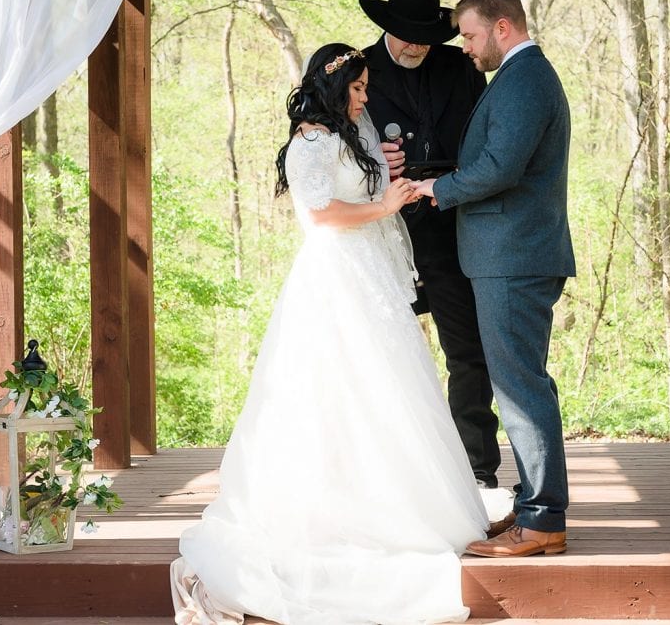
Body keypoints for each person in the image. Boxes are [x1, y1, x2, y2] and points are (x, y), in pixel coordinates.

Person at [171, 43, 489, 624]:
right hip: (336, 274)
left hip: (370, 271)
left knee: (390, 386)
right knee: (339, 387)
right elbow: (320, 215)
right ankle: (337, 508)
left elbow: (364, 188)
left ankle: (398, 500)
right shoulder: (309, 142)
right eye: (360, 88)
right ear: (333, 86)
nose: (366, 98)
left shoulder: (350, 129)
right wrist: (383, 203)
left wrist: (384, 172)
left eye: (367, 88)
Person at [412, 0, 576, 558]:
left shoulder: (526, 78)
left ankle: (542, 520)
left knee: (520, 387)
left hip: (515, 257)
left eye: (472, 34)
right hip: (510, 255)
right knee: (519, 383)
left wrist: (438, 187)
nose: (467, 46)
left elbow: (501, 166)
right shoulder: (515, 77)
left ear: (502, 26)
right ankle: (536, 508)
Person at [359, 0, 503, 494]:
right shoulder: (355, 71)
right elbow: (317, 146)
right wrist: (377, 163)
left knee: (468, 350)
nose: (417, 44)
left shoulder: (460, 67)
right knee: (378, 353)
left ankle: (476, 470)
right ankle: (385, 470)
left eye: (426, 35)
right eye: (406, 34)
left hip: (449, 228)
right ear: (386, 27)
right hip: (380, 233)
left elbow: (485, 141)